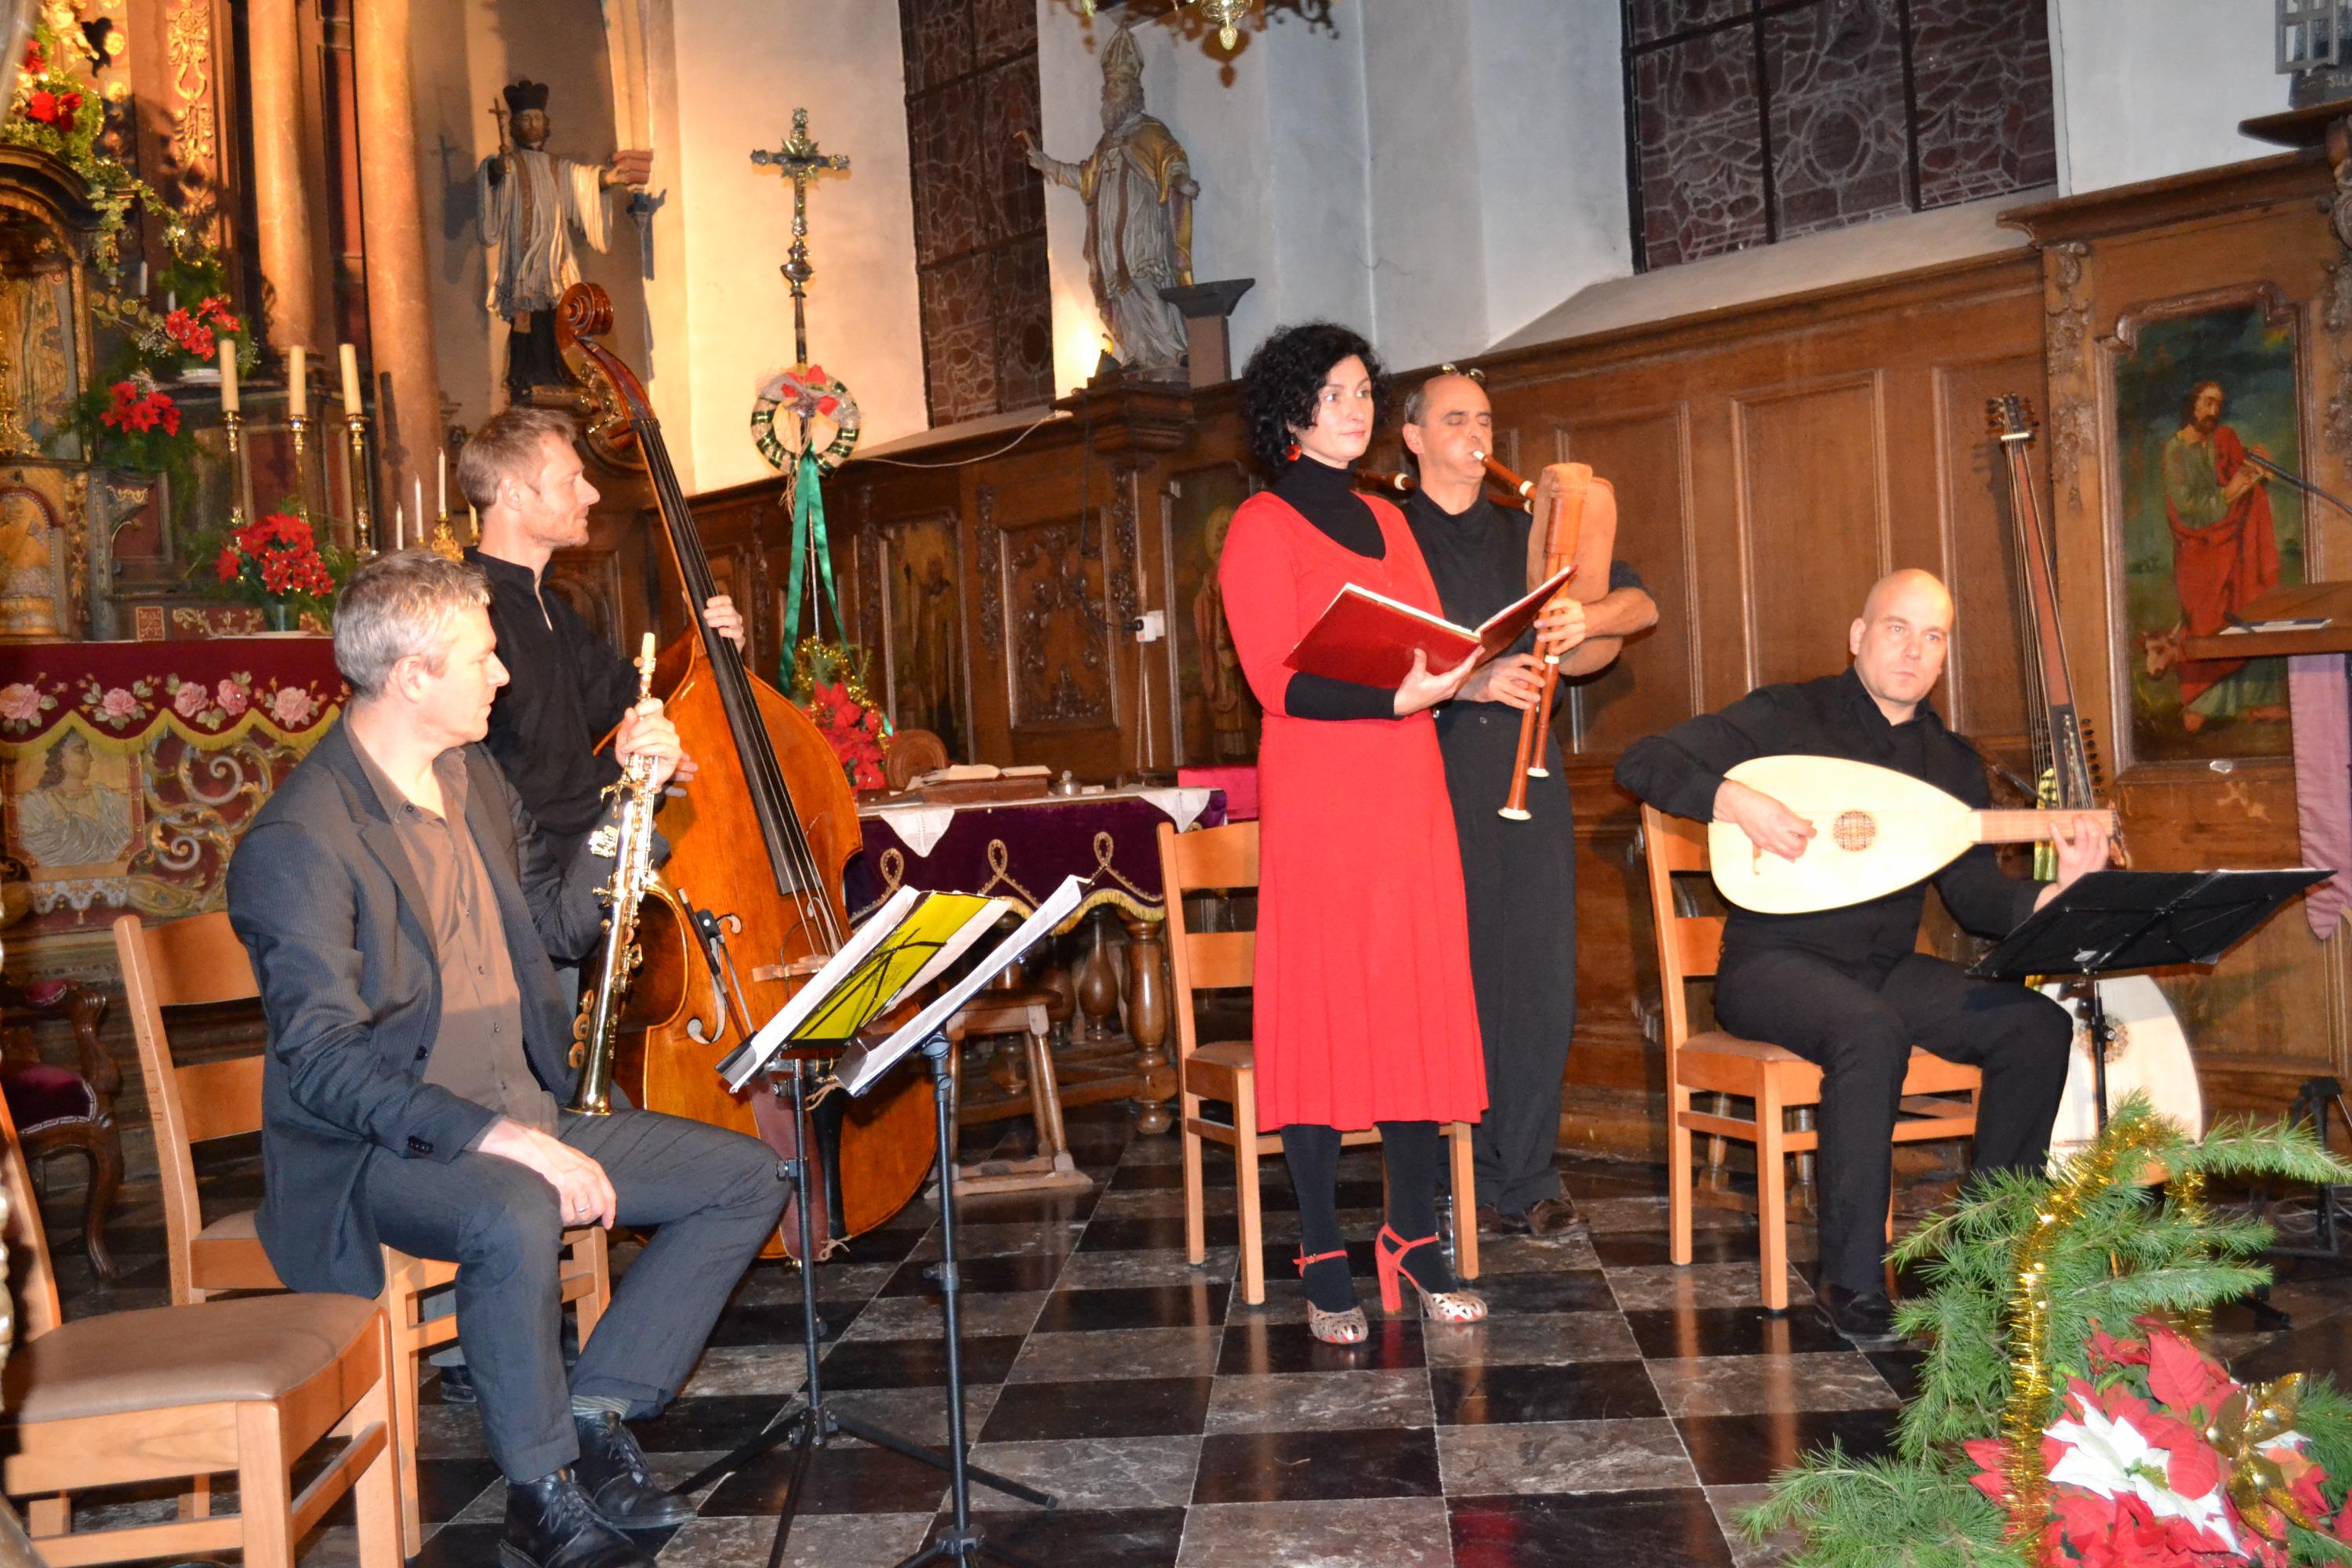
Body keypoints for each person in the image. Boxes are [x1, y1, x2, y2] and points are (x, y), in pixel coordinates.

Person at [227, 551, 787, 1568]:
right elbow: (324, 1065)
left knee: (746, 1176)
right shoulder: (301, 840)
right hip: (385, 1150)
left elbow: (565, 924)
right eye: (483, 658)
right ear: (412, 678)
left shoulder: (474, 780)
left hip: (519, 1112)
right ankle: (538, 1491)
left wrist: (637, 802)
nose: (503, 676)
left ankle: (596, 1410)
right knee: (513, 1205)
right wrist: (496, 1138)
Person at [1613, 569, 2107, 1348]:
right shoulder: (1788, 713)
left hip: (1882, 967)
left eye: (1933, 636)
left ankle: (1982, 1256)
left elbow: (1978, 900)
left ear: (1945, 655)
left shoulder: (1950, 762)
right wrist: (1735, 799)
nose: (1914, 650)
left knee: (2036, 1026)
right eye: (1897, 628)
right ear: (1858, 633)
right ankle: (1852, 1277)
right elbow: (1643, 759)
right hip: (1772, 965)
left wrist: (2061, 894)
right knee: (1869, 1029)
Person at [1215, 321, 1488, 1344]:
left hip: (1407, 785)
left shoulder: (1391, 514)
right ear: (1290, 411)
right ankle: (1322, 1243)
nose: (1358, 406)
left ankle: (1412, 1235)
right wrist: (1394, 698)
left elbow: (1423, 637)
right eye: (1336, 392)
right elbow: (1273, 680)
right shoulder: (1260, 527)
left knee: (1410, 998)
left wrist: (1455, 668)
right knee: (1327, 1006)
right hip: (1325, 789)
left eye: (1365, 389)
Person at [1398, 368, 1657, 1236]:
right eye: (1455, 418)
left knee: (1538, 973)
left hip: (1529, 772)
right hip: (1428, 772)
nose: (1475, 433)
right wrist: (1469, 681)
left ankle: (1529, 1174)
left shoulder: (1529, 528)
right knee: (1455, 972)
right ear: (1413, 436)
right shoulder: (1389, 532)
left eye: (1485, 419)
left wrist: (1587, 620)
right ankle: (1450, 1166)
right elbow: (1367, 656)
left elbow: (1639, 600)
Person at [459, 406, 743, 863]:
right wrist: (628, 776)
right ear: (513, 493)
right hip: (525, 875)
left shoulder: (552, 607)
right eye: (570, 481)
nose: (591, 494)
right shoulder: (466, 611)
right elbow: (521, 782)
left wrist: (706, 645)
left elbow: (625, 696)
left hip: (577, 855)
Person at [1021, 24, 1196, 372]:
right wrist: (1048, 164)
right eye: (1107, 88)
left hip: (1140, 229)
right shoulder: (1105, 144)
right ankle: (1138, 353)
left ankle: (1175, 351)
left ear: (1133, 92)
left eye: (1116, 86)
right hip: (1109, 239)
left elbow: (1171, 159)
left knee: (1146, 284)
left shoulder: (1150, 131)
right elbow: (1085, 178)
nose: (1108, 94)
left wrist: (1180, 181)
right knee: (1118, 293)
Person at [477, 78, 653, 401]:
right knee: (528, 317)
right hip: (523, 257)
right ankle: (526, 375)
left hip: (555, 254)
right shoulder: (510, 164)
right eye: (526, 119)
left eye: (537, 119)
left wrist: (608, 179)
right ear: (514, 126)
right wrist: (496, 172)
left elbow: (583, 180)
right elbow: (491, 181)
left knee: (558, 312)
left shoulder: (558, 167)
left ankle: (558, 373)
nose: (532, 124)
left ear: (547, 126)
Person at [2160, 379, 2287, 731]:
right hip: (2199, 552)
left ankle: (2256, 701)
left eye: (2218, 404)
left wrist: (2253, 466)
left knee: (2249, 609)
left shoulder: (2223, 439)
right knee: (2206, 622)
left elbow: (2238, 468)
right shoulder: (2175, 451)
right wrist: (2228, 495)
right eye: (2207, 403)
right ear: (2192, 405)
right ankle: (2201, 703)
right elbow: (2186, 510)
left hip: (2234, 547)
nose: (2213, 411)